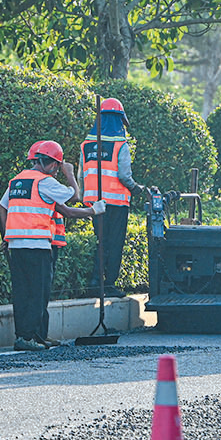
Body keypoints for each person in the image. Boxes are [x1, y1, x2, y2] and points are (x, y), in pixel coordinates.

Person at [0, 140, 103, 351]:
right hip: (37, 246)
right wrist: (71, 174)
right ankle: (27, 338)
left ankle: (31, 336)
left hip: (17, 246)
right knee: (38, 293)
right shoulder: (44, 182)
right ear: (54, 164)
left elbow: (2, 207)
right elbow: (75, 196)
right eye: (57, 167)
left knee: (22, 292)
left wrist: (6, 235)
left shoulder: (17, 181)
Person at [79, 97, 144, 297]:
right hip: (116, 202)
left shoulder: (86, 145)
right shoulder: (120, 145)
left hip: (95, 203)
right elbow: (124, 176)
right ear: (119, 120)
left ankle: (94, 282)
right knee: (114, 243)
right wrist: (136, 188)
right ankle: (109, 285)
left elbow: (81, 175)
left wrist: (84, 198)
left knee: (101, 241)